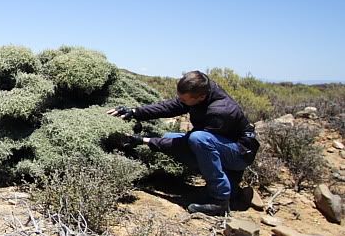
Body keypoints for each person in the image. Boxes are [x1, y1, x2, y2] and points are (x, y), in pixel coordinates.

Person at [107, 70, 260, 216]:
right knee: (170, 136)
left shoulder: (220, 112)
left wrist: (143, 140)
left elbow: (188, 144)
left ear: (200, 97)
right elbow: (171, 107)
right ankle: (229, 184)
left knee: (197, 140)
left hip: (240, 153)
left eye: (184, 100)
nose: (181, 101)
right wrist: (135, 112)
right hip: (222, 144)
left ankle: (219, 201)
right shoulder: (201, 90)